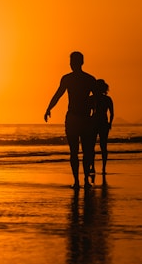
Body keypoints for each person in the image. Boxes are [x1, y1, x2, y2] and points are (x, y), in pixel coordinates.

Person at [44, 51, 97, 188]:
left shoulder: (81, 79)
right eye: (71, 62)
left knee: (80, 151)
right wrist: (49, 108)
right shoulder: (86, 79)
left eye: (72, 62)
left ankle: (81, 181)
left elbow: (97, 98)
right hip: (79, 118)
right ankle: (80, 181)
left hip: (79, 118)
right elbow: (58, 95)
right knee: (79, 151)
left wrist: (49, 109)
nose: (71, 64)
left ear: (77, 63)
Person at [89, 79, 114, 174]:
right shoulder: (106, 99)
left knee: (94, 146)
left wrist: (110, 123)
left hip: (96, 122)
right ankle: (102, 167)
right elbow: (112, 113)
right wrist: (110, 123)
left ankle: (95, 167)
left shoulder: (93, 98)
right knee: (102, 146)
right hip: (102, 122)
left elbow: (112, 113)